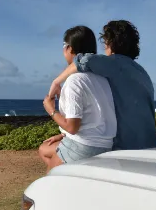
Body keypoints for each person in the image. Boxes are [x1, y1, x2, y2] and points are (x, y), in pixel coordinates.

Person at [48, 20, 156, 151]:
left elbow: (84, 60)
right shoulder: (142, 72)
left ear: (110, 43)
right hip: (151, 144)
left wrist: (56, 81)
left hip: (127, 148)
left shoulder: (113, 63)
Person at [38, 25, 118, 170]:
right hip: (106, 145)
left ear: (70, 48)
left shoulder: (74, 81)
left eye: (64, 45)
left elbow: (72, 127)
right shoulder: (102, 79)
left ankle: (65, 178)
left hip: (84, 147)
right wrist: (63, 136)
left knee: (51, 181)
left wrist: (50, 109)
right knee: (44, 149)